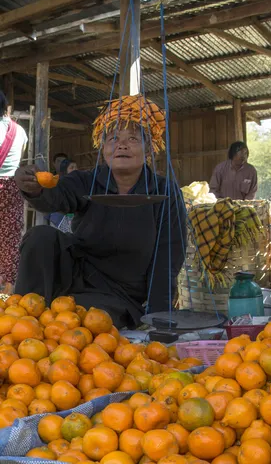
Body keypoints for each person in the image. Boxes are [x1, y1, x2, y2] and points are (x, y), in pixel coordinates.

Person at [14, 95, 187, 328]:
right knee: (40, 236)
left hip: (120, 293)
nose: (122, 145)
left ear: (149, 149)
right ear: (103, 148)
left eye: (133, 139)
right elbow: (55, 197)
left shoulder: (164, 191)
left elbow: (169, 255)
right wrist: (35, 190)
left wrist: (158, 316)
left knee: (83, 321)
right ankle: (22, 318)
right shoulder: (86, 181)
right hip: (76, 274)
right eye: (113, 138)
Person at [0, 91, 27, 292]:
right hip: (11, 188)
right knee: (10, 241)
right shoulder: (20, 131)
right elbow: (19, 159)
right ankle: (7, 295)